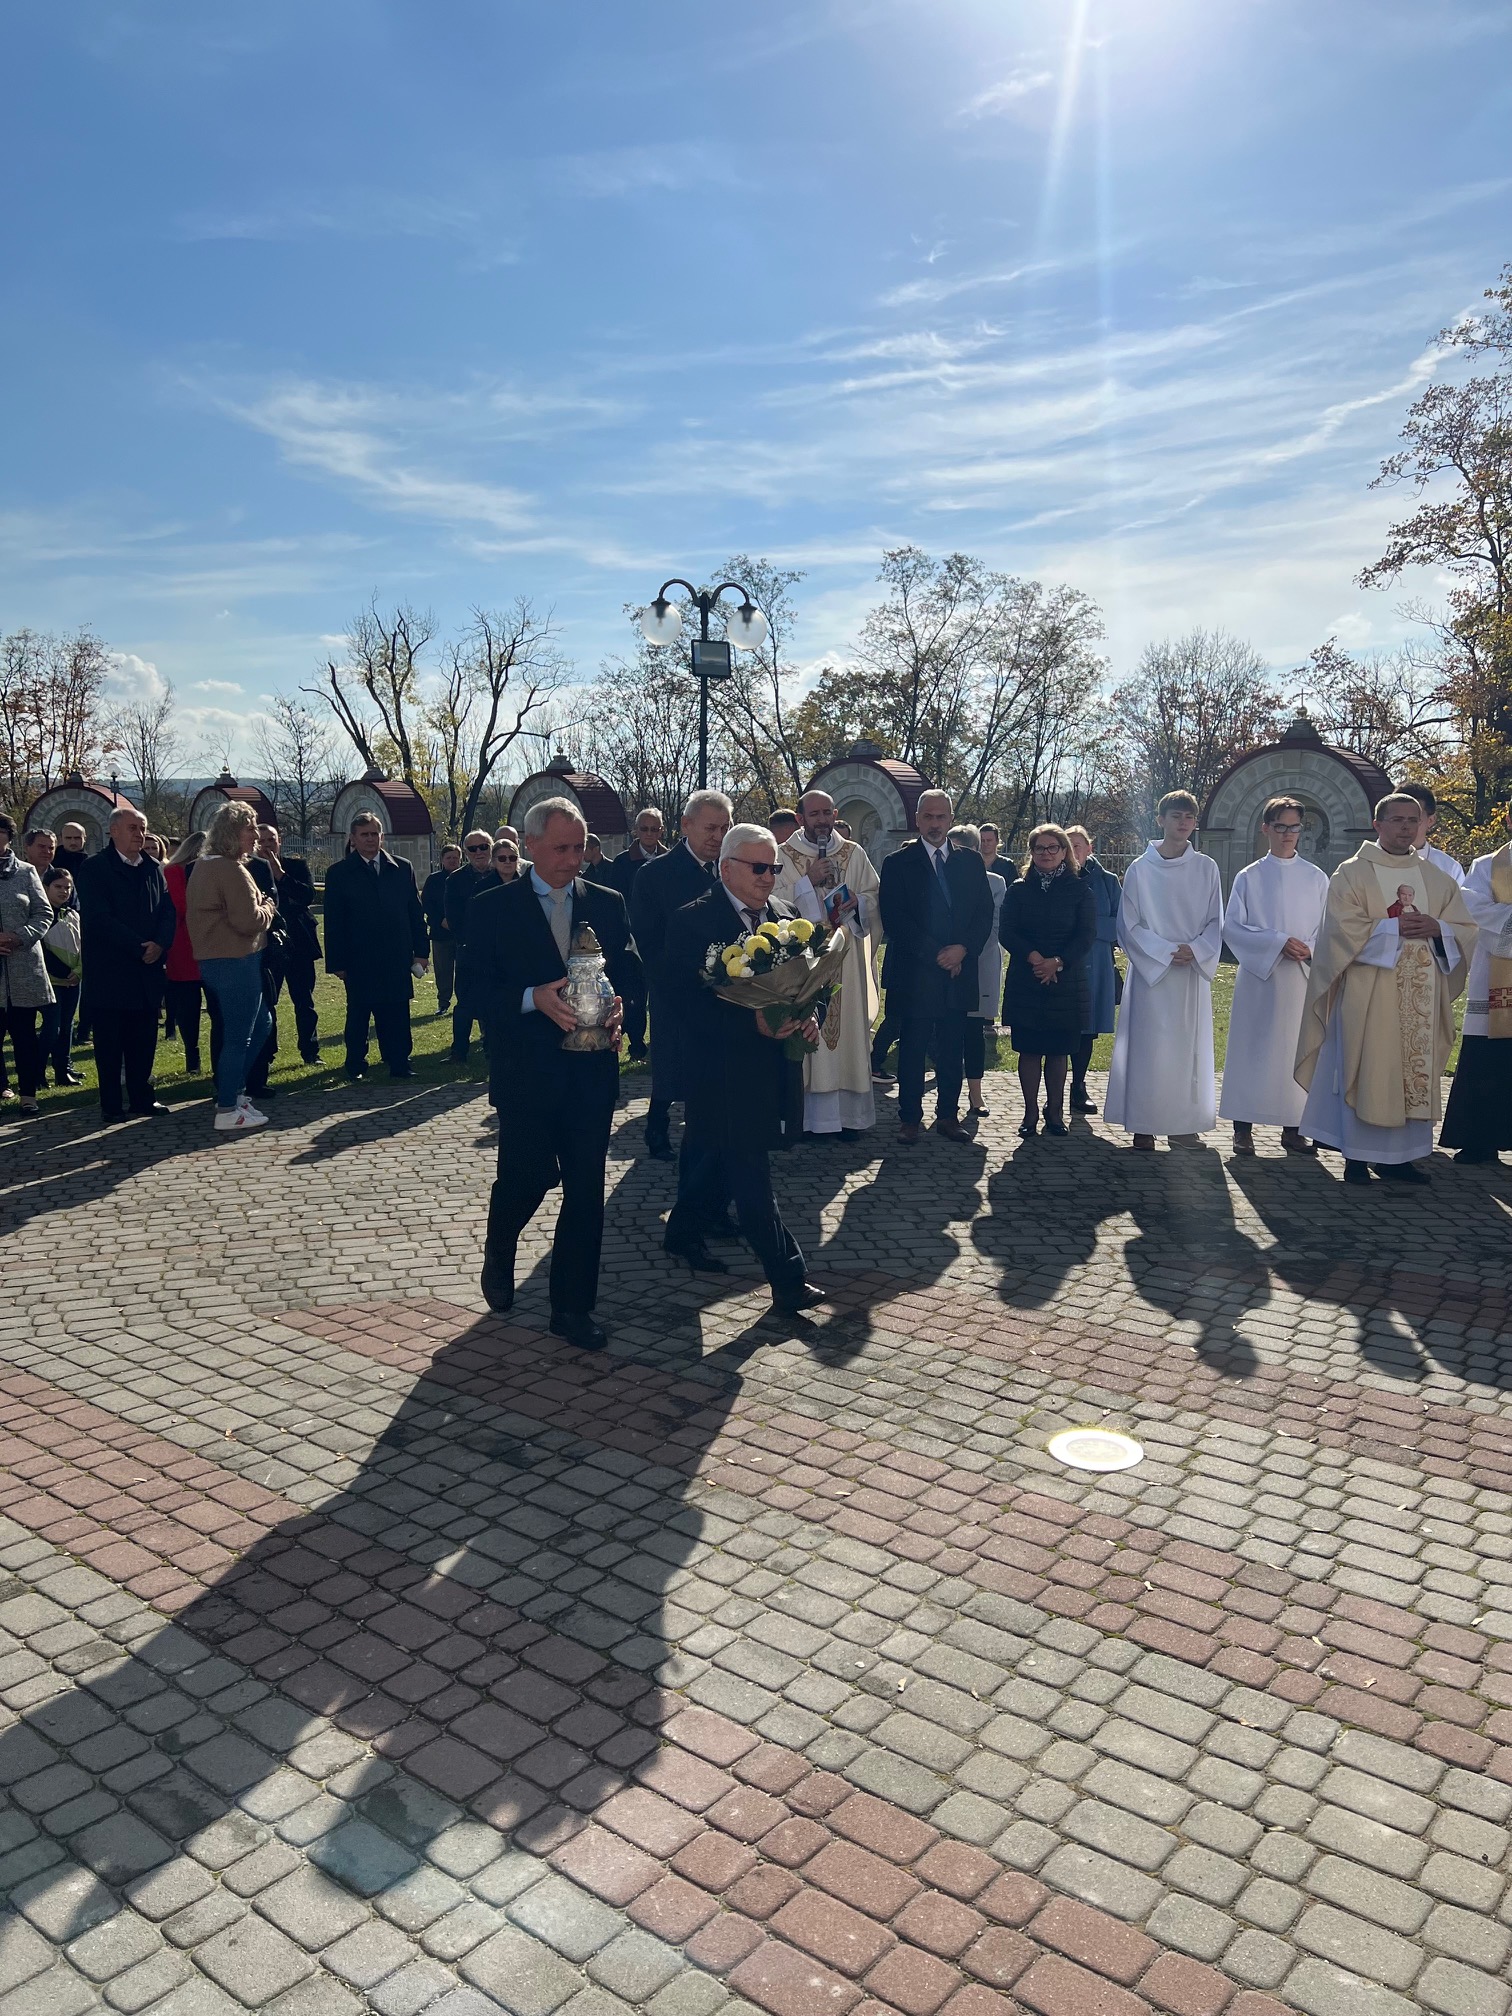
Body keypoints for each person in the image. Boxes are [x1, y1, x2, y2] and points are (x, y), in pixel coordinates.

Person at [469, 797, 638, 1350]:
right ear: (530, 844)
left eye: (579, 847)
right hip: (527, 1075)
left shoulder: (608, 904)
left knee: (587, 1191)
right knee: (529, 1176)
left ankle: (572, 1308)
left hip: (591, 1074)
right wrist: (530, 998)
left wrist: (620, 1009)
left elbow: (629, 975)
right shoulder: (494, 907)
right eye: (561, 848)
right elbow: (470, 992)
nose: (572, 859)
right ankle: (501, 1242)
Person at [663, 824, 825, 1315]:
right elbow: (682, 1005)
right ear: (726, 867)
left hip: (774, 1065)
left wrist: (808, 1018)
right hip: (721, 1068)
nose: (768, 877)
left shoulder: (786, 916)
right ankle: (788, 1276)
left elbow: (805, 986)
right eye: (759, 867)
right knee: (750, 1171)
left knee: (718, 1156)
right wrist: (750, 1022)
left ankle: (682, 1229)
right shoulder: (693, 921)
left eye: (774, 867)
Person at [1298, 792, 1476, 1184]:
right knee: (1369, 1067)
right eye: (1396, 820)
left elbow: (1466, 930)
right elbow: (1338, 931)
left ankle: (1400, 1159)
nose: (1406, 827)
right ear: (1377, 825)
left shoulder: (1437, 878)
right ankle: (1357, 1157)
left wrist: (1439, 929)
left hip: (1423, 999)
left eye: (1413, 820)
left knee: (1409, 1069)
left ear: (1423, 824)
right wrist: (1392, 927)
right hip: (1369, 992)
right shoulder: (1352, 873)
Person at [1105, 791, 1224, 1150]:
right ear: (1161, 820)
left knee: (1185, 1051)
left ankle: (1181, 1125)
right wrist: (1166, 951)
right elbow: (1129, 925)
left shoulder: (1207, 868)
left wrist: (1198, 949)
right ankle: (1144, 1124)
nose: (1183, 822)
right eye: (1176, 816)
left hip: (1189, 975)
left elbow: (1216, 920)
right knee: (1149, 1049)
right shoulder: (1141, 870)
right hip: (1152, 976)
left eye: (1189, 817)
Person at [878, 789, 994, 1144]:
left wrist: (962, 950)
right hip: (915, 974)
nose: (934, 823)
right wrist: (938, 956)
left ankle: (948, 1116)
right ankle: (909, 1118)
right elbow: (896, 920)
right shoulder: (897, 863)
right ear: (917, 819)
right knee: (912, 1049)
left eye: (941, 817)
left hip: (959, 972)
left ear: (951, 818)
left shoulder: (970, 861)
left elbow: (983, 913)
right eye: (928, 817)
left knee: (951, 1048)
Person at [1219, 796, 1330, 1155]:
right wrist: (1278, 942)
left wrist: (1310, 948)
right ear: (1266, 828)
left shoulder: (1316, 878)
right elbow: (1233, 927)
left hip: (1300, 977)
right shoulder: (1249, 876)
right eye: (1280, 826)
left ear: (1302, 830)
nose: (1287, 834)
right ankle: (1243, 1127)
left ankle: (1294, 1128)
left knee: (1296, 1049)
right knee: (1252, 1049)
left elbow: (1329, 927)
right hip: (1260, 978)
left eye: (1294, 827)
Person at [772, 789, 883, 1140]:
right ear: (800, 818)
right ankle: (806, 1121)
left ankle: (850, 1120)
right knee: (807, 1034)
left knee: (847, 1033)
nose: (821, 820)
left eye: (826, 813)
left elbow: (874, 898)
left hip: (846, 956)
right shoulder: (782, 855)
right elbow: (772, 900)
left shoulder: (854, 853)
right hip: (803, 960)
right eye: (813, 814)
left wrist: (853, 903)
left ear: (835, 814)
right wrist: (808, 883)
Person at [631, 790, 733, 1163]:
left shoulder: (730, 869)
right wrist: (675, 983)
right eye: (710, 827)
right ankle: (657, 1124)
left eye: (724, 828)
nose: (717, 837)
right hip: (673, 987)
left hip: (726, 988)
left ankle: (705, 1139)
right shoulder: (654, 874)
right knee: (671, 1062)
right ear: (686, 825)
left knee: (711, 1070)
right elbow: (647, 937)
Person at [76, 808, 175, 1119]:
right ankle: (111, 1105)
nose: (139, 834)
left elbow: (168, 911)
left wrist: (160, 944)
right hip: (111, 971)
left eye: (143, 828)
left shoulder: (155, 868)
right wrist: (138, 946)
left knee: (144, 1040)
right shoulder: (94, 869)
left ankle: (143, 1099)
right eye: (132, 827)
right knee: (109, 1044)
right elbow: (98, 918)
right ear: (113, 831)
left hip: (147, 970)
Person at [999, 825, 1095, 1138]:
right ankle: (1029, 1113)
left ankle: (1054, 1113)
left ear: (1065, 852)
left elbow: (1086, 935)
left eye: (1053, 847)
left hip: (1066, 981)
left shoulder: (1080, 889)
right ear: (1032, 853)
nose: (1047, 853)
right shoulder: (1017, 889)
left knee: (1057, 1052)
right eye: (1040, 848)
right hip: (1027, 979)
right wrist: (1035, 958)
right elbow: (1007, 931)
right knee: (1029, 1051)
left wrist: (1058, 961)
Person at [187, 802, 278, 1132]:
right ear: (231, 833)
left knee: (262, 1023)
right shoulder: (229, 869)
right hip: (234, 960)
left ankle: (234, 1095)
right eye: (250, 828)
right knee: (239, 1036)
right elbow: (248, 921)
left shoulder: (204, 865)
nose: (256, 835)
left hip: (221, 960)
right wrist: (268, 905)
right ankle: (227, 1106)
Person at [323, 814, 429, 1080]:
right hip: (359, 958)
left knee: (397, 1011)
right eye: (364, 834)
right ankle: (356, 1065)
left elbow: (414, 912)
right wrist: (337, 963)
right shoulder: (339, 873)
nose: (370, 839)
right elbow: (334, 921)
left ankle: (399, 1063)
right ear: (353, 838)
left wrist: (421, 952)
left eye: (374, 834)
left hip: (396, 954)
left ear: (382, 836)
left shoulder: (401, 867)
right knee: (359, 1013)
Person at [1440, 807, 1512, 1163]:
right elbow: (1472, 907)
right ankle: (1480, 1140)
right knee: (1488, 1060)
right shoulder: (1487, 866)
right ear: (1509, 821)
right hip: (1494, 978)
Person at [949, 824, 1014, 1116]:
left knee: (974, 1032)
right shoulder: (938, 878)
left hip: (980, 962)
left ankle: (976, 1094)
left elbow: (994, 925)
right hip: (943, 965)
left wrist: (965, 950)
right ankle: (945, 1097)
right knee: (945, 1033)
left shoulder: (995, 881)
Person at [0, 813, 55, 1115]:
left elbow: (43, 914)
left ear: (8, 837)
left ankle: (29, 1095)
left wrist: (19, 937)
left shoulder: (26, 872)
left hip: (23, 967)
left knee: (24, 1037)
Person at [1065, 826, 1121, 1114]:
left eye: (1079, 845)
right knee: (1063, 1026)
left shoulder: (1108, 881)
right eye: (1068, 845)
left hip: (1097, 961)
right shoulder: (1057, 879)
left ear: (1089, 848)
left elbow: (1120, 924)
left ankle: (1079, 1086)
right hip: (1064, 961)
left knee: (1087, 1030)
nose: (1074, 850)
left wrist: (1087, 925)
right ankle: (1054, 1091)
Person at [607, 808, 667, 1062]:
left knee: (662, 993)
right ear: (636, 831)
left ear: (661, 831)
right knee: (636, 994)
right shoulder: (622, 863)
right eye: (645, 829)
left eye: (655, 829)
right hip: (633, 938)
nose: (650, 834)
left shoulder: (670, 859)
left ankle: (661, 1043)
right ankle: (636, 1043)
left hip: (664, 936)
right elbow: (616, 901)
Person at [257, 825, 320, 1065]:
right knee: (268, 1001)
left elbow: (307, 896)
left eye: (271, 840)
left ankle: (310, 1051)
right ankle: (268, 1053)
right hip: (267, 944)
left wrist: (280, 875)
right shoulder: (249, 869)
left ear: (279, 841)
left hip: (298, 943)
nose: (267, 845)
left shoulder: (296, 866)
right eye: (262, 841)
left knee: (304, 1001)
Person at [163, 831, 207, 1074]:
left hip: (209, 943)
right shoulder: (174, 871)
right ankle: (192, 1053)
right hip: (183, 946)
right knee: (188, 1006)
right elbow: (181, 906)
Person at [38, 868, 83, 1086]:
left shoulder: (72, 914)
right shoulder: (39, 915)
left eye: (68, 887)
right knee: (51, 1028)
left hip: (73, 981)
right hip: (52, 981)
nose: (64, 891)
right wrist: (63, 972)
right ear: (46, 888)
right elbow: (42, 951)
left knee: (67, 1027)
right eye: (58, 887)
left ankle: (62, 1070)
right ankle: (37, 1071)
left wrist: (78, 972)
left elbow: (81, 946)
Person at [423, 843, 464, 1016]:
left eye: (456, 857)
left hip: (463, 934)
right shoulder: (433, 880)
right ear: (442, 860)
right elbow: (426, 904)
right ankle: (443, 1002)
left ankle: (464, 1003)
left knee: (464, 971)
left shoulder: (465, 878)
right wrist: (440, 921)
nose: (452, 861)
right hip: (441, 934)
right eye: (449, 858)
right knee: (443, 970)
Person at [1399, 781, 1465, 884]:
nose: (1404, 825)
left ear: (1431, 820)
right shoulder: (1369, 863)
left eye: (1413, 818)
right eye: (1397, 818)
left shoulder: (1449, 868)